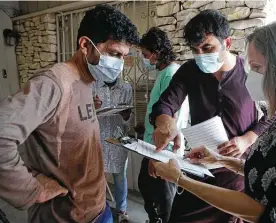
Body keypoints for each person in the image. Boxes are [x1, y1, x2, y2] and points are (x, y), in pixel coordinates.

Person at [153, 18, 276, 222]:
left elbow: (262, 210)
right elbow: (274, 173)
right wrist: (220, 159)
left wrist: (179, 179)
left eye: (257, 68)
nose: (252, 77)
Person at [0, 4, 139, 223]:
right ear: (85, 45)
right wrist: (30, 189)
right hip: (64, 216)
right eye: (114, 54)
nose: (119, 64)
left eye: (123, 57)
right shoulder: (53, 83)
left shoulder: (87, 81)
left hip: (97, 209)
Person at [149, 10, 273, 223]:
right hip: (200, 167)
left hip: (238, 173)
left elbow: (272, 114)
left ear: (227, 42)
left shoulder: (248, 71)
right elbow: (165, 104)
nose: (201, 56)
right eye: (195, 50)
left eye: (207, 48)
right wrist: (165, 124)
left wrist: (247, 139)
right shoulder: (190, 71)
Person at [138, 27, 190, 223]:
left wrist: (158, 155)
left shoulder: (170, 74)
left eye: (145, 54)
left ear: (156, 53)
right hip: (154, 144)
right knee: (146, 186)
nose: (144, 59)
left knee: (164, 198)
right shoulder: (164, 73)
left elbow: (171, 118)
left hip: (162, 148)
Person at [93, 77, 133, 222]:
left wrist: (126, 116)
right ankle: (101, 208)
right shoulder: (93, 85)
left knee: (120, 177)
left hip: (118, 139)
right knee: (98, 178)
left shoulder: (126, 87)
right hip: (97, 139)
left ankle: (122, 210)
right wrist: (92, 106)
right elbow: (82, 114)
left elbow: (129, 120)